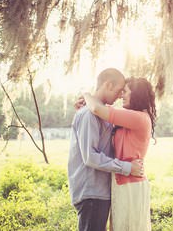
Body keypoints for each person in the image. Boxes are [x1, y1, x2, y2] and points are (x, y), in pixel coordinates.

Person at [67, 68, 144, 231]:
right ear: (108, 85)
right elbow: (90, 157)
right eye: (118, 91)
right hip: (91, 193)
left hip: (99, 192)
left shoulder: (102, 115)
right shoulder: (89, 114)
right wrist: (128, 167)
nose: (119, 96)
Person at [82, 76, 156, 231]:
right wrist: (83, 106)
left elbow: (97, 108)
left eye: (126, 92)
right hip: (121, 180)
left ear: (137, 94)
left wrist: (86, 95)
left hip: (131, 184)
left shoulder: (139, 118)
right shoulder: (130, 118)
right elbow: (98, 114)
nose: (122, 95)